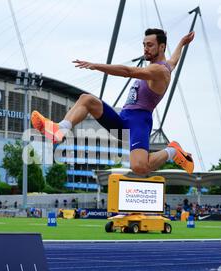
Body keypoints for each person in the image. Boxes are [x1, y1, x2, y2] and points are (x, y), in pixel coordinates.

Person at [31, 29, 195, 176]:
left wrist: (96, 66)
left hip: (139, 122)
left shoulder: (159, 70)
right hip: (122, 120)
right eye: (144, 45)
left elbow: (128, 71)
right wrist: (182, 42)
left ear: (161, 47)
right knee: (86, 99)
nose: (145, 48)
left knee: (139, 167)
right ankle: (60, 129)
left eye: (150, 45)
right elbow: (174, 60)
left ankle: (173, 150)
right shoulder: (165, 66)